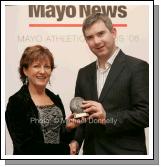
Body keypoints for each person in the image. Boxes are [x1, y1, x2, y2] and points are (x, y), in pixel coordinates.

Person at [69, 13, 149, 155]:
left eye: (101, 33)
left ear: (113, 32)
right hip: (92, 155)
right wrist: (75, 140)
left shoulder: (137, 67)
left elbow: (146, 114)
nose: (96, 41)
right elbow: (81, 115)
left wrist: (108, 118)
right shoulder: (83, 73)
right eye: (90, 37)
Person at [5, 45, 78, 155]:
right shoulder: (16, 102)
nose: (42, 71)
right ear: (25, 70)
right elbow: (26, 147)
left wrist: (67, 128)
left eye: (47, 67)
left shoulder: (55, 99)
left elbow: (59, 136)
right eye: (36, 66)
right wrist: (66, 150)